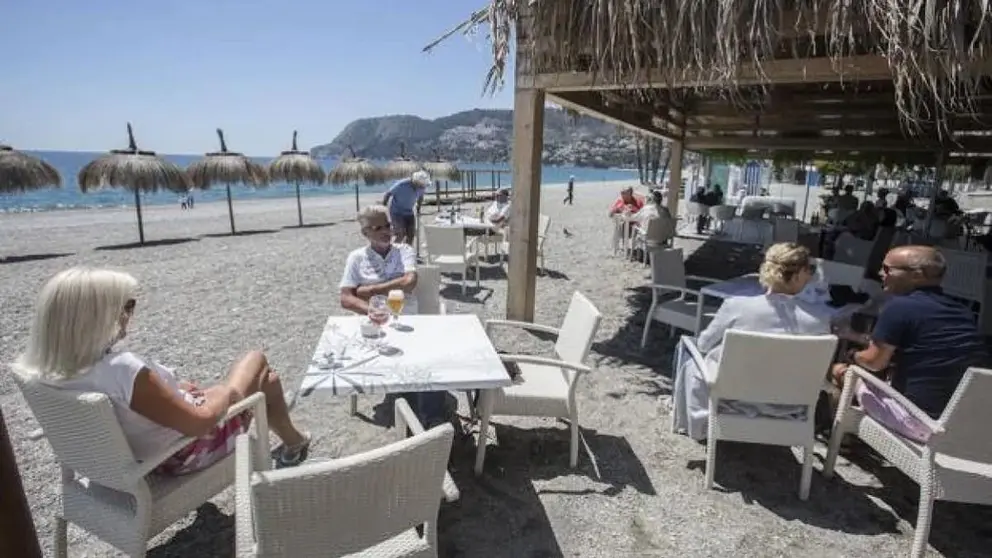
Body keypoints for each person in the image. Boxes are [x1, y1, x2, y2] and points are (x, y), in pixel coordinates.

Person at [12, 268, 311, 473]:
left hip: (134, 454)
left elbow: (134, 402)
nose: (129, 313)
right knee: (256, 361)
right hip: (186, 453)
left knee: (267, 381)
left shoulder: (48, 371)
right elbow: (200, 424)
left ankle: (294, 439)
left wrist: (173, 392)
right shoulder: (122, 370)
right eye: (127, 305)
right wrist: (227, 391)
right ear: (96, 318)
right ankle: (293, 439)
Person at [672, 243, 834, 440]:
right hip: (788, 406)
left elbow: (703, 345)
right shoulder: (819, 320)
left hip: (733, 400)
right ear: (798, 275)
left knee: (688, 346)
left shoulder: (737, 306)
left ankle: (689, 422)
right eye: (810, 269)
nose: (811, 275)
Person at [831, 246, 986, 443]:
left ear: (916, 275)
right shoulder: (962, 312)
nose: (880, 273)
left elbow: (874, 362)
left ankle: (842, 441)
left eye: (887, 269)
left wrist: (852, 355)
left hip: (920, 422)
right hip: (958, 421)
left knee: (841, 371)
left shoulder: (899, 307)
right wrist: (857, 337)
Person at [339, 205, 419, 316]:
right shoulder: (356, 257)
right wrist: (373, 311)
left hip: (405, 316)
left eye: (387, 226)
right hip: (373, 319)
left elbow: (409, 282)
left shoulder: (404, 251)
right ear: (365, 233)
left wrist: (369, 291)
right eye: (378, 228)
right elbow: (346, 298)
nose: (386, 231)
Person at [382, 170, 431, 244]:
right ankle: (392, 250)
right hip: (396, 212)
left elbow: (421, 197)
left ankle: (407, 251)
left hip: (409, 212)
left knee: (411, 234)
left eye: (423, 185)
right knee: (400, 234)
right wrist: (383, 209)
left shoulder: (422, 187)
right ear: (416, 182)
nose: (422, 187)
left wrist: (418, 208)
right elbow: (388, 194)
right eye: (421, 185)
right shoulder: (402, 184)